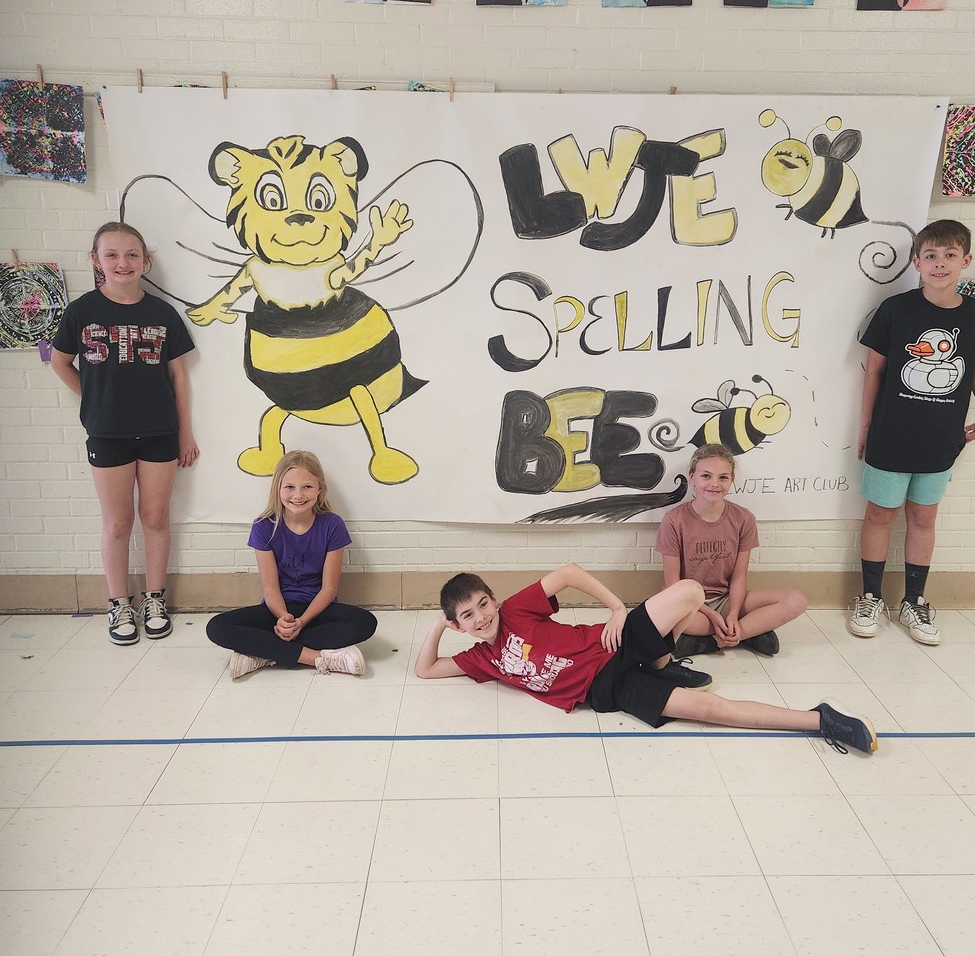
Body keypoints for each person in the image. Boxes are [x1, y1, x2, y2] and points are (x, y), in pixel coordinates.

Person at [415, 563, 877, 755]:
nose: (480, 617)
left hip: (612, 645)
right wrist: (440, 626)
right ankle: (820, 720)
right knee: (711, 711)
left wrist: (617, 608)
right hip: (607, 691)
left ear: (493, 600)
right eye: (466, 616)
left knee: (690, 592)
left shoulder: (516, 608)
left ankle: (663, 657)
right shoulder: (481, 659)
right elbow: (426, 669)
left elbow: (570, 572)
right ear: (459, 624)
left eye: (482, 605)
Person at [851, 219, 975, 646]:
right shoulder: (896, 309)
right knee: (880, 514)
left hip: (941, 440)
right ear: (917, 262)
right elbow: (874, 371)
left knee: (923, 518)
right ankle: (870, 596)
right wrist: (865, 426)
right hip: (890, 435)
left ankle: (914, 601)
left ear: (965, 262)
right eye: (930, 256)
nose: (940, 264)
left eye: (950, 255)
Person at [51, 221, 199, 645]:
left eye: (132, 254)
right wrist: (91, 400)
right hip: (107, 433)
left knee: (155, 517)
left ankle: (155, 598)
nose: (122, 262)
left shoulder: (162, 313)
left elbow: (179, 377)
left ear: (145, 261)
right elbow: (60, 362)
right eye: (112, 255)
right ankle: (119, 604)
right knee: (117, 523)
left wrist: (185, 432)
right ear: (96, 261)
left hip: (160, 432)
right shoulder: (81, 311)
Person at [206, 450, 377, 679]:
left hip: (316, 612)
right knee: (216, 627)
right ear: (278, 489)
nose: (298, 495)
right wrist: (283, 619)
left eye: (307, 487)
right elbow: (270, 588)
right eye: (289, 487)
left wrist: (301, 622)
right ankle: (316, 658)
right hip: (277, 612)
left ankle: (263, 653)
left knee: (365, 622)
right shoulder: (263, 526)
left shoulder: (332, 525)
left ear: (319, 489)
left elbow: (329, 589)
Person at [655, 443, 806, 660]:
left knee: (796, 600)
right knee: (660, 619)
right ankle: (750, 633)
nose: (714, 484)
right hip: (688, 606)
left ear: (731, 479)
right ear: (692, 477)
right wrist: (712, 616)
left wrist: (733, 614)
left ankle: (723, 638)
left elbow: (739, 576)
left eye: (723, 477)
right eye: (706, 476)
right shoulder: (674, 520)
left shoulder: (743, 518)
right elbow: (672, 583)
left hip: (727, 600)